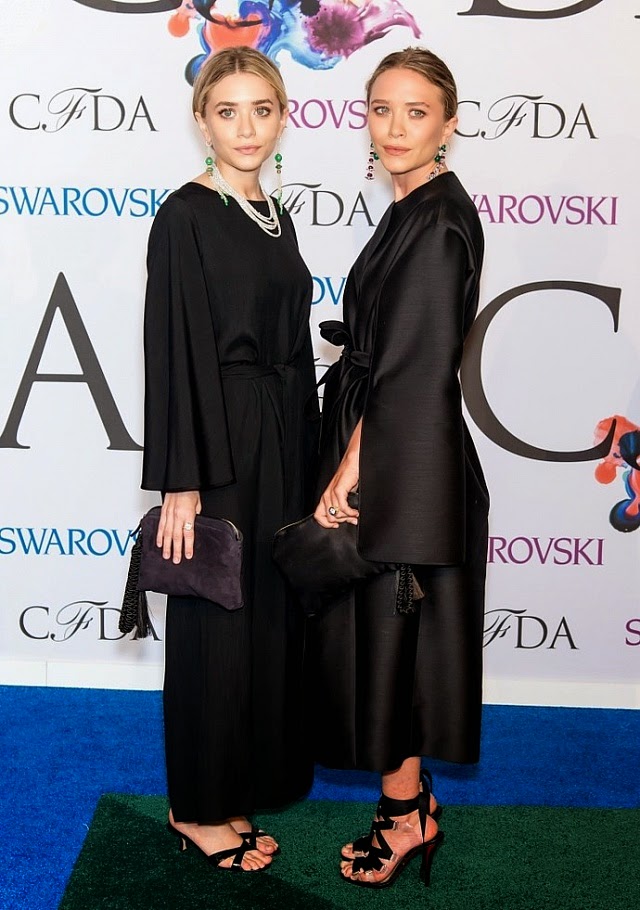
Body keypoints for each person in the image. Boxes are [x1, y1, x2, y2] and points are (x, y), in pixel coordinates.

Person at [309, 47, 490, 888]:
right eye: (381, 109)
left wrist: (354, 463)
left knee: (395, 639)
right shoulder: (413, 206)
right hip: (392, 443)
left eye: (415, 112)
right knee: (389, 636)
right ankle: (408, 804)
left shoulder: (440, 221)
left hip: (401, 458)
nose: (394, 127)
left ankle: (405, 813)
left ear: (449, 123)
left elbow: (414, 368)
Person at [141, 46, 318, 872]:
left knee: (264, 623)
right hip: (219, 445)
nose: (246, 128)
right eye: (227, 111)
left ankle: (237, 785)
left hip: (281, 439)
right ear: (201, 121)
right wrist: (183, 480)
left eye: (262, 110)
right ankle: (198, 809)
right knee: (215, 620)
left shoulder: (274, 213)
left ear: (282, 118)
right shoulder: (186, 214)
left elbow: (295, 347)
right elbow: (173, 348)